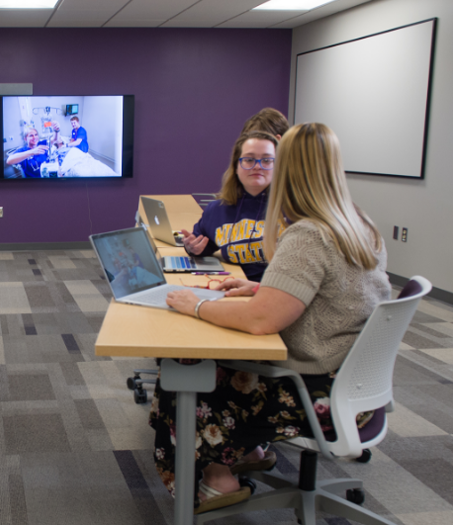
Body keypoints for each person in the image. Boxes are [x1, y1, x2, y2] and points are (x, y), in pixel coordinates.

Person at [152, 122, 391, 514]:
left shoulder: (308, 235)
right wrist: (264, 289)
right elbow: (335, 292)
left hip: (310, 387)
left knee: (181, 371)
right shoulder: (357, 222)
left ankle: (217, 480)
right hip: (355, 381)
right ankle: (245, 453)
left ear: (288, 170)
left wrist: (194, 305)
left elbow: (261, 323)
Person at [180, 131, 278, 282]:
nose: (257, 166)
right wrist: (193, 248)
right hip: (233, 289)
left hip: (277, 295)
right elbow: (202, 245)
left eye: (266, 160)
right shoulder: (217, 209)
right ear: (236, 165)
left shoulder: (294, 209)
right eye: (249, 159)